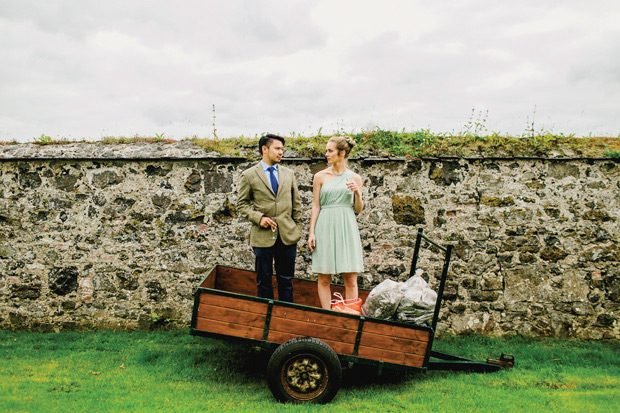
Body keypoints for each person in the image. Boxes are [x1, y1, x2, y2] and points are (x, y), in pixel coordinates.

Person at [237, 134, 303, 303]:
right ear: (264, 149)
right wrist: (259, 218)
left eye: (282, 149)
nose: (281, 152)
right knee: (264, 281)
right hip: (262, 236)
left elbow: (297, 205)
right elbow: (242, 205)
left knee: (286, 281)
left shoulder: (289, 174)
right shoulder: (249, 175)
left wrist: (297, 231)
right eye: (277, 148)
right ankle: (267, 323)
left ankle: (286, 319)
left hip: (287, 236)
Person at [308, 136, 364, 309]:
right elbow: (316, 205)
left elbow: (358, 209)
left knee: (351, 278)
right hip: (325, 225)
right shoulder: (320, 176)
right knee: (324, 276)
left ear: (342, 153)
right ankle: (328, 316)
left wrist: (358, 194)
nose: (326, 154)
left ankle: (349, 317)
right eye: (327, 150)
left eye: (330, 151)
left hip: (346, 226)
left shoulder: (355, 178)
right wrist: (311, 232)